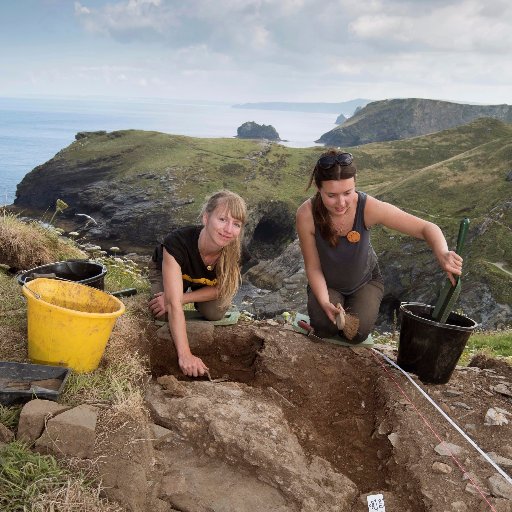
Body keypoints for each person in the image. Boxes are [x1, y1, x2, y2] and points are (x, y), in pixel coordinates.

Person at [296, 149, 463, 343]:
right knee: (325, 326)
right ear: (318, 188)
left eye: (347, 193)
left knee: (356, 334)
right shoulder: (306, 215)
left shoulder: (367, 207)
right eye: (331, 195)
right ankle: (328, 307)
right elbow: (313, 267)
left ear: (355, 184)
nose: (341, 203)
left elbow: (426, 227)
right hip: (328, 284)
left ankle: (354, 306)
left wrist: (442, 252)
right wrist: (325, 302)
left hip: (365, 282)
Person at [148, 190, 247, 377]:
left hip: (202, 281)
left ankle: (184, 298)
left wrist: (182, 298)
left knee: (215, 312)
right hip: (169, 273)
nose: (228, 230)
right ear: (206, 218)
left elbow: (224, 288)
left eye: (236, 224)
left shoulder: (237, 252)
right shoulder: (177, 243)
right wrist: (185, 355)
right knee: (162, 312)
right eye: (223, 219)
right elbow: (174, 306)